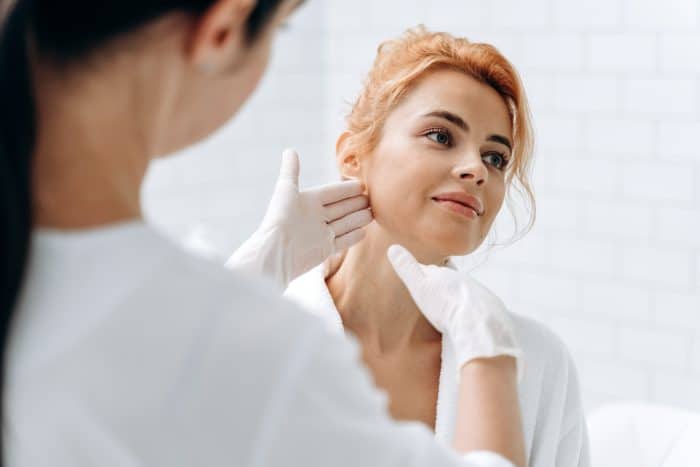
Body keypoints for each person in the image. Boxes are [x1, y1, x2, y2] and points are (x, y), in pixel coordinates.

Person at [2, 2, 524, 466]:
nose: (474, 170)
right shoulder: (257, 345)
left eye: (496, 157)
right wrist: (492, 361)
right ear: (225, 27)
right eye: (282, 29)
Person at [283, 27, 590, 466]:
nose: (476, 170)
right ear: (353, 157)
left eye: (495, 157)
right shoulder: (267, 334)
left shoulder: (536, 362)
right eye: (441, 136)